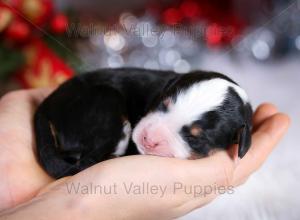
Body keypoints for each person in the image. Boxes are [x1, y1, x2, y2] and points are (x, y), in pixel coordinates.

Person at [0, 88, 290, 220]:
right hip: (85, 105)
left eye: (191, 137)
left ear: (239, 141)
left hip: (78, 115)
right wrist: (87, 204)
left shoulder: (236, 127)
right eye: (163, 108)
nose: (151, 136)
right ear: (170, 88)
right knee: (108, 114)